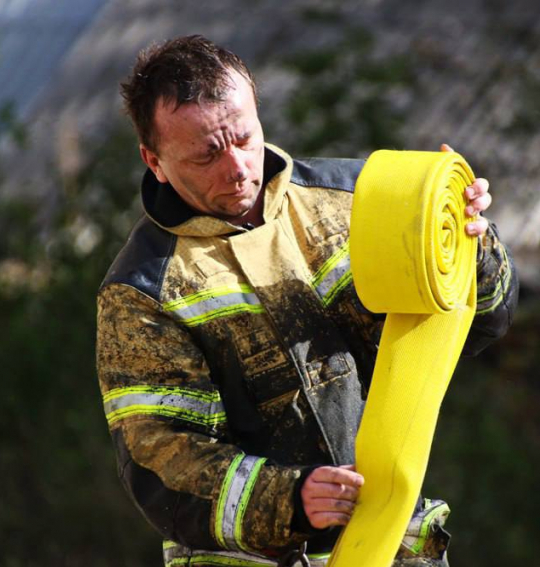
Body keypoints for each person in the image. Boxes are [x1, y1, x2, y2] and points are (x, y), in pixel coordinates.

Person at [96, 35, 518, 567]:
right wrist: (290, 498)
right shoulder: (140, 291)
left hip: (396, 547)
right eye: (206, 153)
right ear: (154, 161)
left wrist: (471, 242)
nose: (237, 167)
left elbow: (482, 325)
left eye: (244, 137)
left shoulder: (357, 199)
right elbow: (161, 460)